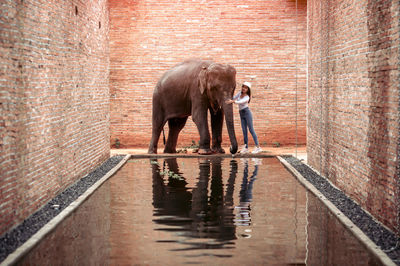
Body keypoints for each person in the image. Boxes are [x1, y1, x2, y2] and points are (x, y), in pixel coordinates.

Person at [226, 81, 262, 154]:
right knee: (244, 130)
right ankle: (246, 147)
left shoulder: (247, 97)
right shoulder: (239, 93)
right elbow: (234, 97)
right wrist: (229, 99)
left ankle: (258, 147)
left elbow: (240, 102)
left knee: (251, 129)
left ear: (248, 90)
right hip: (241, 113)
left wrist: (232, 101)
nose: (244, 89)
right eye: (243, 87)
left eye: (246, 88)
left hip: (247, 113)